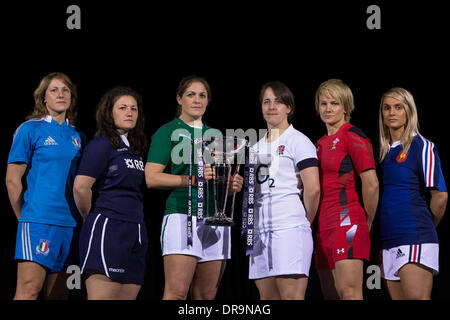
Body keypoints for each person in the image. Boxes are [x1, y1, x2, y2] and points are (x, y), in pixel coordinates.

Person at [145, 75, 243, 300]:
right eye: (191, 94)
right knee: (176, 294)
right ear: (179, 99)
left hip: (215, 220)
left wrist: (231, 186)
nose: (197, 100)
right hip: (182, 215)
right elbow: (151, 178)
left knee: (205, 297)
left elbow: (218, 182)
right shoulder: (167, 131)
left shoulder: (216, 135)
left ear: (208, 100)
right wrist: (192, 180)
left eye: (202, 95)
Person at [6, 72, 84, 300]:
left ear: (72, 97)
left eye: (65, 90)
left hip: (71, 226)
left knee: (61, 294)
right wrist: (25, 217)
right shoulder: (30, 129)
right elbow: (12, 180)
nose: (61, 94)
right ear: (43, 99)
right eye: (54, 90)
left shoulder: (79, 136)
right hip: (39, 222)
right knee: (29, 290)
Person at [73, 86, 148, 300]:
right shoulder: (101, 144)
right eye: (122, 108)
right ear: (109, 112)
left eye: (133, 108)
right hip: (108, 227)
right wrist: (90, 217)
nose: (129, 112)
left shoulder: (136, 147)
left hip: (135, 229)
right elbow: (80, 187)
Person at [249, 81, 321, 300]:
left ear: (289, 107)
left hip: (290, 229)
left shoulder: (299, 141)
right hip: (260, 233)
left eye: (279, 102)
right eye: (267, 102)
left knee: (291, 297)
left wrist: (303, 221)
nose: (272, 107)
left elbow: (314, 189)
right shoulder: (255, 147)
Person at [377, 87, 447, 300]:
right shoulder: (383, 152)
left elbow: (440, 196)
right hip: (388, 241)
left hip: (414, 237)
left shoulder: (422, 147)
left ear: (409, 111)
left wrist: (426, 226)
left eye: (398, 107)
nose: (392, 112)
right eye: (387, 108)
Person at [314, 79, 379, 300]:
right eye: (323, 103)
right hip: (322, 228)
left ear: (346, 107)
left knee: (349, 293)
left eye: (334, 103)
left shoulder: (352, 134)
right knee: (330, 294)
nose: (328, 109)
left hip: (347, 221)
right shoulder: (318, 144)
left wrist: (368, 219)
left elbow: (371, 183)